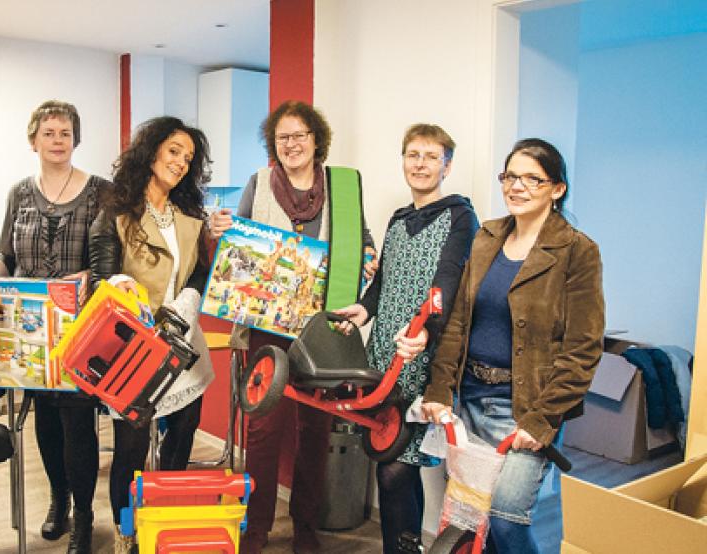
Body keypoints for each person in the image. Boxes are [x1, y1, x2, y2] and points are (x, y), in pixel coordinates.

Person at [208, 100, 377, 554]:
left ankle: (306, 525)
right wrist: (219, 228)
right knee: (263, 428)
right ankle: (257, 527)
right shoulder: (258, 183)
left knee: (316, 429)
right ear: (273, 144)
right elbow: (232, 242)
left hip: (322, 330)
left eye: (300, 134)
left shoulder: (341, 187)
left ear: (316, 139)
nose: (292, 144)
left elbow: (362, 242)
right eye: (283, 137)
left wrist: (367, 259)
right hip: (267, 330)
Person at [421, 139, 604, 554]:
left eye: (532, 179)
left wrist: (542, 421)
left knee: (505, 517)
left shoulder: (578, 252)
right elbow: (458, 323)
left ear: (557, 189)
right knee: (472, 517)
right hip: (470, 398)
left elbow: (583, 349)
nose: (516, 187)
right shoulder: (487, 238)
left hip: (526, 407)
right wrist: (438, 389)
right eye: (510, 176)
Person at [0, 100, 107, 554]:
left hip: (80, 326)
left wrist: (86, 276)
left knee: (78, 421)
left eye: (65, 132)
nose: (57, 140)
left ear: (75, 139)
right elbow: (8, 259)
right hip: (30, 330)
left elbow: (108, 263)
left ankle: (84, 515)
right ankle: (58, 500)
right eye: (48, 133)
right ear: (34, 140)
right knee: (45, 418)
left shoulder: (101, 191)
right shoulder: (19, 193)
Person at [332, 124, 478, 554]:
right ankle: (402, 547)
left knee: (400, 466)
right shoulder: (397, 219)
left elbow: (448, 282)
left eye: (431, 156)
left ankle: (411, 547)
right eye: (413, 154)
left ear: (447, 166)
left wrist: (426, 333)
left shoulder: (459, 216)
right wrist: (363, 309)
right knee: (387, 461)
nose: (420, 163)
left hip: (422, 355)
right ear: (403, 161)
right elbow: (384, 281)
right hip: (383, 354)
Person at [89, 116, 215, 554]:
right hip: (134, 350)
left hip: (183, 347)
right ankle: (127, 534)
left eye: (188, 158)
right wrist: (121, 290)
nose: (180, 163)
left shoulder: (190, 216)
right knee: (130, 449)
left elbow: (199, 272)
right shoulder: (116, 210)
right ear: (152, 151)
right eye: (174, 151)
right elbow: (100, 278)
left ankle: (165, 524)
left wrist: (182, 310)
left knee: (181, 440)